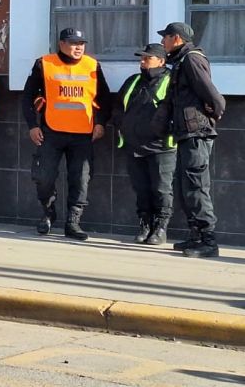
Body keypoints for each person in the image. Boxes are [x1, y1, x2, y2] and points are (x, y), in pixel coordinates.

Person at [21, 28, 112, 241]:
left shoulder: (92, 65)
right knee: (43, 177)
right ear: (61, 44)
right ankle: (48, 212)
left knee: (81, 179)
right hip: (50, 132)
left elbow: (105, 98)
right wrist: (32, 126)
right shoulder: (44, 64)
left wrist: (100, 123)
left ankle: (73, 222)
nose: (79, 47)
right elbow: (27, 97)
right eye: (73, 43)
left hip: (83, 134)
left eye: (81, 43)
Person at [155, 22, 225, 258]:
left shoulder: (191, 59)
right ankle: (195, 236)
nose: (163, 42)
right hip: (186, 132)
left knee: (196, 186)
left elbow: (213, 96)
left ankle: (208, 240)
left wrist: (212, 114)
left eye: (165, 38)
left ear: (176, 38)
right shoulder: (181, 61)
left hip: (197, 133)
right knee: (186, 186)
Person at [114, 43, 175, 246]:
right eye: (141, 58)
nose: (142, 62)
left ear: (161, 61)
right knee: (141, 188)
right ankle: (145, 225)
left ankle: (160, 228)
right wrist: (120, 124)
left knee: (161, 189)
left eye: (147, 58)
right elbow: (118, 107)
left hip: (161, 147)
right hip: (134, 145)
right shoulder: (133, 81)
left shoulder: (171, 81)